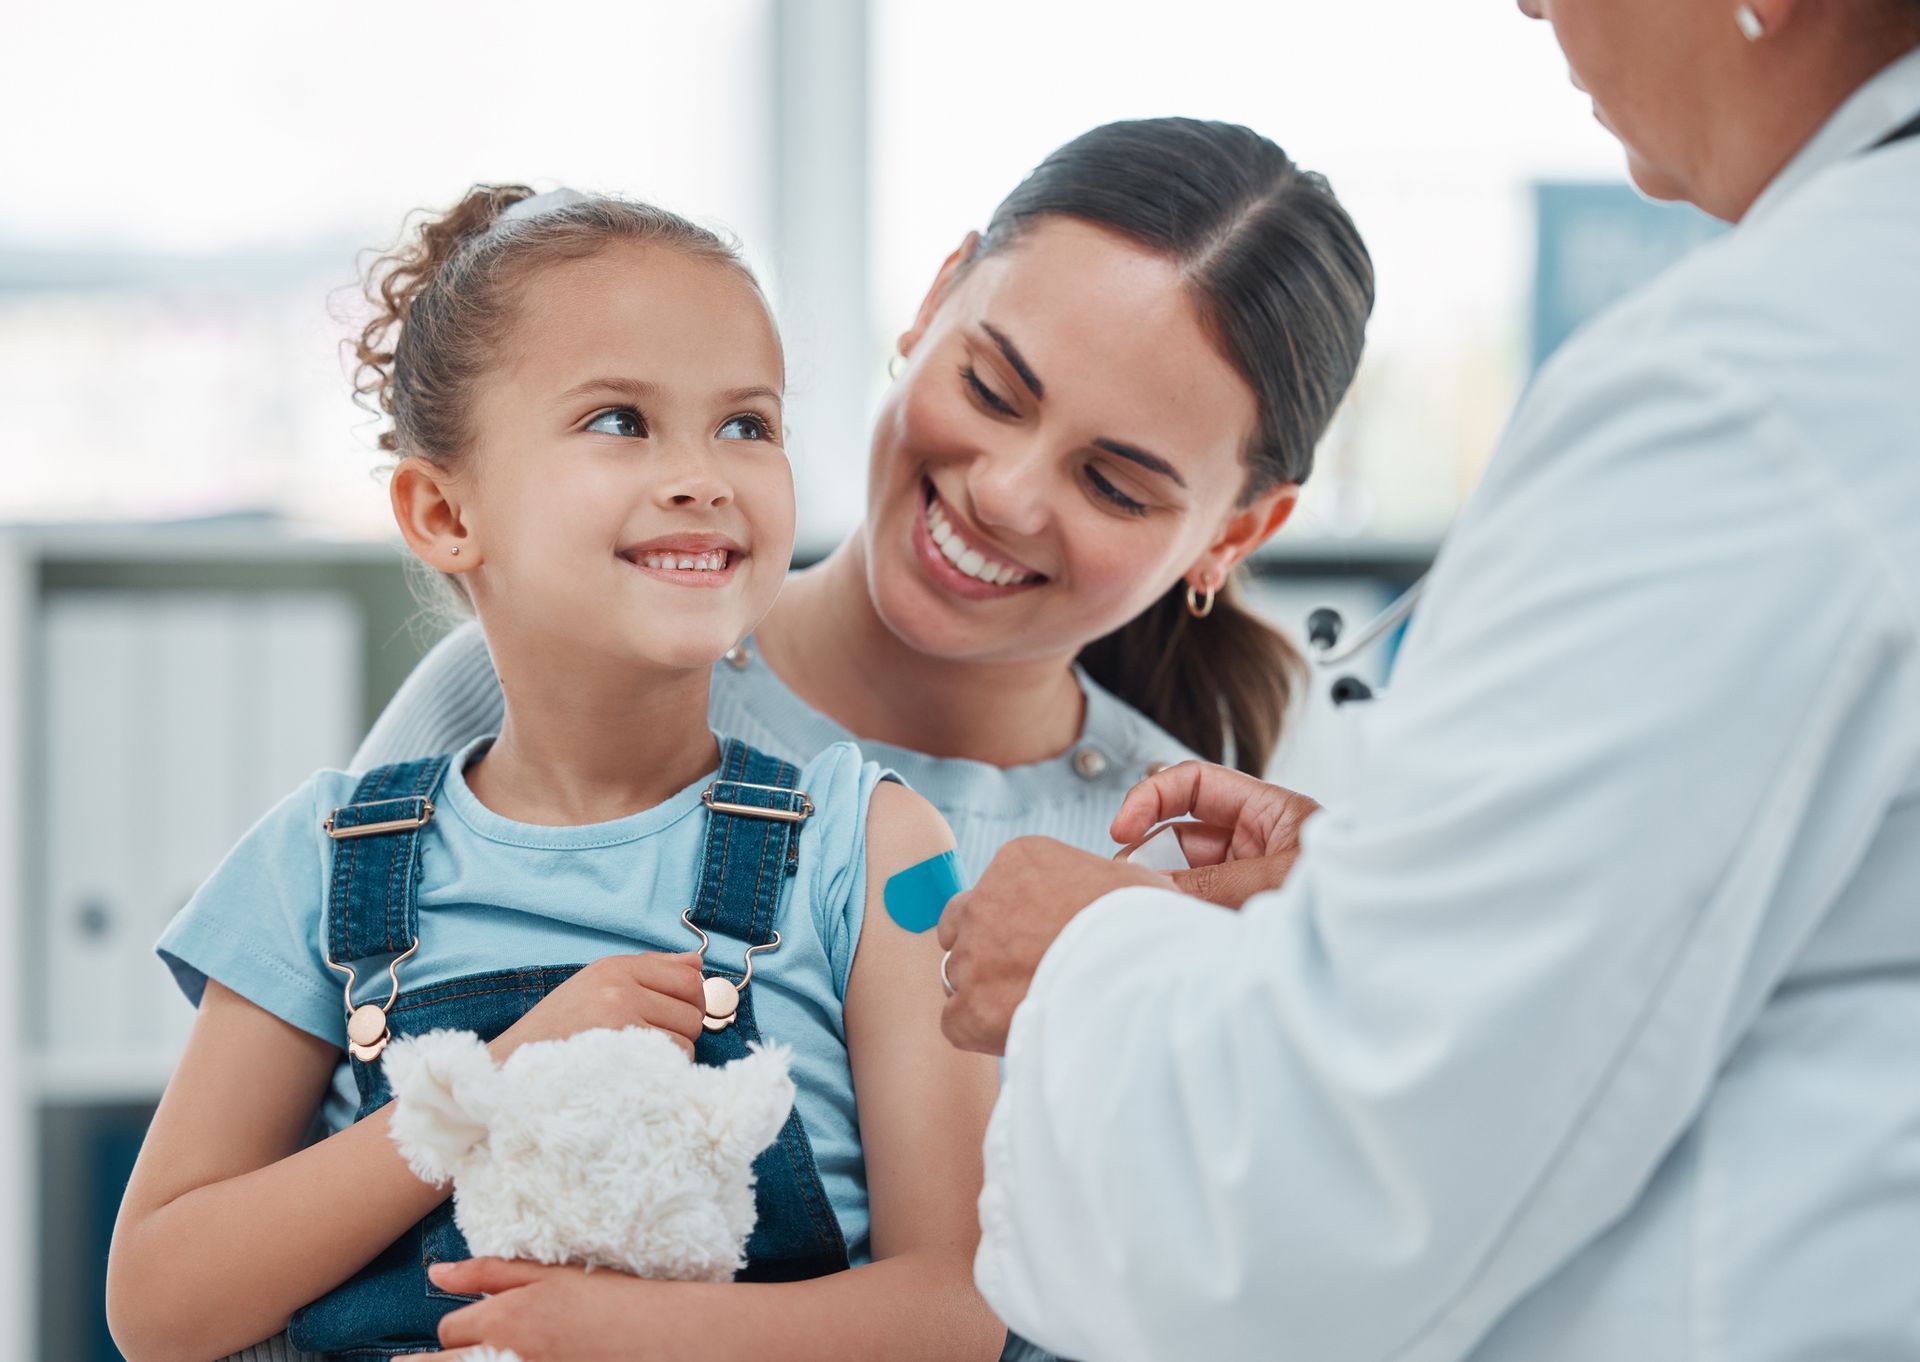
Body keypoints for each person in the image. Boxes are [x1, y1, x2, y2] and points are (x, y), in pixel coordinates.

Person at [938, 3, 1920, 1359]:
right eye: (993, 388)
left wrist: (1088, 964)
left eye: (1116, 477)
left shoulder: (1761, 387)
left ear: (1238, 532)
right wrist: (1384, 903)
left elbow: (1327, 1181)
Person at [106, 186, 1003, 1362]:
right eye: (621, 420)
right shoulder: (320, 866)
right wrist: (494, 1080)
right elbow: (160, 1305)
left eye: (747, 424)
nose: (704, 475)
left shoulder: (874, 849)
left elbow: (962, 1312)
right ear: (442, 511)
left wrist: (635, 1332)